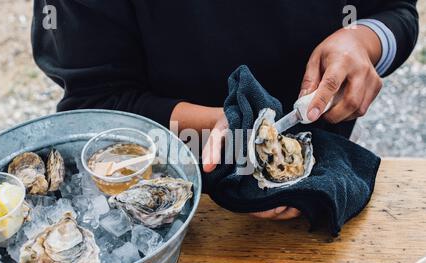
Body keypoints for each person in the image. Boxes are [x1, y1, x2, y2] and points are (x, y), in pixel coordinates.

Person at [32, 1, 418, 220]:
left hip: (327, 186)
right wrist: (219, 131)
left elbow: (395, 10)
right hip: (166, 209)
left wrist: (364, 41)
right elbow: (95, 102)